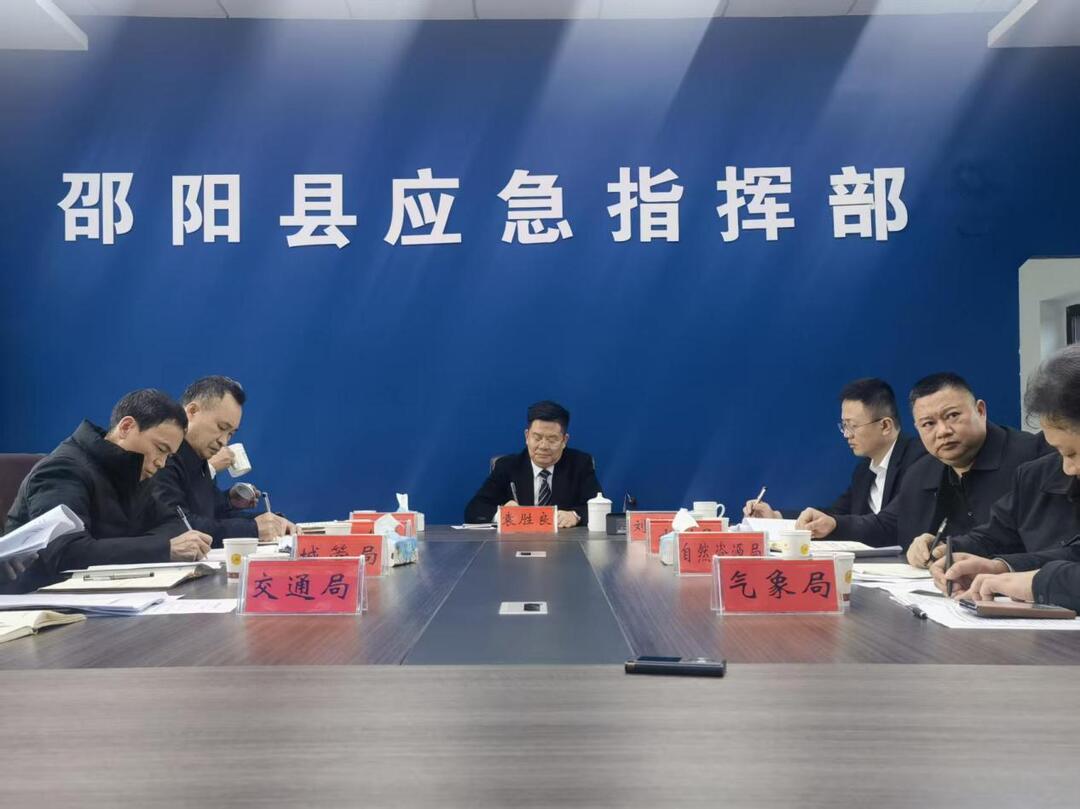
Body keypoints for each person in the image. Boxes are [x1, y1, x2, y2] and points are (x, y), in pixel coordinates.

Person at [794, 373, 1051, 553]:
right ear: (917, 428)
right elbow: (889, 523)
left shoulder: (1034, 457)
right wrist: (835, 524)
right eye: (928, 424)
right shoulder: (922, 471)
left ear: (980, 411)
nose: (943, 431)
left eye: (953, 416)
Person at [2, 389, 212, 593]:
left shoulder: (135, 471)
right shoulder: (62, 469)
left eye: (169, 456)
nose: (161, 463)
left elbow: (174, 526)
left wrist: (149, 546)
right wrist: (163, 548)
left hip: (107, 593)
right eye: (160, 449)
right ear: (126, 427)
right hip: (41, 598)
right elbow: (65, 553)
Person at [934, 345, 1080, 607]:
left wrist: (1037, 584)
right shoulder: (1036, 474)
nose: (1068, 469)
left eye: (1073, 453)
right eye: (1060, 452)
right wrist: (1001, 568)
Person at [743, 378, 925, 519]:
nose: (846, 434)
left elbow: (888, 523)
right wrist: (776, 516)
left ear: (885, 426)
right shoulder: (864, 471)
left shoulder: (919, 462)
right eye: (844, 426)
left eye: (852, 426)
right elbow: (835, 515)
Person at [151, 376, 294, 544]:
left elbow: (210, 516)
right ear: (192, 411)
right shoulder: (163, 456)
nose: (223, 441)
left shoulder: (198, 457)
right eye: (221, 427)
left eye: (230, 434)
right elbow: (178, 525)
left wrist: (271, 522)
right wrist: (253, 529)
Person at [464, 400, 601, 528]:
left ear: (564, 440)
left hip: (566, 542)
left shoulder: (580, 464)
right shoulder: (507, 466)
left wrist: (575, 515)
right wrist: (503, 514)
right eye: (537, 437)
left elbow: (600, 507)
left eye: (552, 439)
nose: (543, 446)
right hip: (517, 542)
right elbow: (474, 510)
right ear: (527, 436)